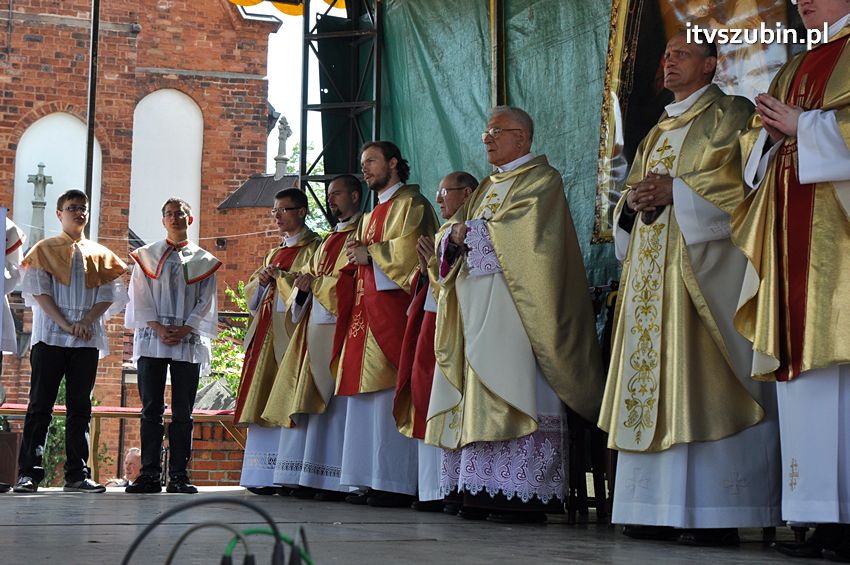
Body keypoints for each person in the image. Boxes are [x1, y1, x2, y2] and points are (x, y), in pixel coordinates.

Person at [598, 32, 780, 545]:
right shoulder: (656, 131)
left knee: (700, 379)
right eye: (665, 55)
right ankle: (650, 507)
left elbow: (746, 187)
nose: (668, 62)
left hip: (700, 278)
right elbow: (631, 193)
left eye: (680, 54)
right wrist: (630, 206)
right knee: (648, 382)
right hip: (651, 278)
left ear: (710, 66)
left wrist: (677, 191)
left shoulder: (731, 114)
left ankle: (713, 514)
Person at [427, 107, 603, 523]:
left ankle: (524, 493)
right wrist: (450, 240)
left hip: (522, 311)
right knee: (480, 388)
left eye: (496, 132)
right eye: (486, 132)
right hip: (477, 307)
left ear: (522, 137)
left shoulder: (543, 180)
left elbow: (531, 242)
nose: (486, 139)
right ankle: (478, 488)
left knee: (517, 384)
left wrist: (466, 234)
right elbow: (454, 230)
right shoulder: (487, 186)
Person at [731, 1, 850, 558]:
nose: (803, 1)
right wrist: (769, 141)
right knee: (802, 381)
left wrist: (803, 126)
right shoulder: (794, 65)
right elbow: (755, 153)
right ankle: (817, 517)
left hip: (838, 246)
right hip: (790, 241)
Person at [332, 141, 439, 507]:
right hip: (365, 314)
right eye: (363, 163)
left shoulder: (413, 205)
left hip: (393, 313)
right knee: (365, 400)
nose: (365, 169)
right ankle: (365, 478)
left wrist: (371, 255)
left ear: (394, 163)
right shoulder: (370, 213)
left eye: (372, 162)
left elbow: (415, 253)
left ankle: (393, 481)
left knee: (385, 394)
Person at [13, 189, 128, 494]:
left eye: (83, 208)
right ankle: (29, 473)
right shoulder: (44, 249)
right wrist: (66, 324)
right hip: (50, 338)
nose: (78, 212)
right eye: (72, 207)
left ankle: (77, 474)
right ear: (59, 214)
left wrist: (86, 322)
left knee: (80, 407)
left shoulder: (100, 254)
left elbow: (108, 295)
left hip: (85, 340)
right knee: (40, 406)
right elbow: (39, 291)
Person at [262, 175, 363, 501]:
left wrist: (313, 285)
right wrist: (303, 287)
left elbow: (349, 281)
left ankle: (334, 478)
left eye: (337, 195)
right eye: (329, 195)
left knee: (332, 400)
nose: (331, 200)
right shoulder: (329, 240)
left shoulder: (360, 234)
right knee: (311, 398)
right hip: (314, 322)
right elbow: (315, 280)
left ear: (355, 196)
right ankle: (310, 474)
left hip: (342, 325)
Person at [393, 171, 477, 512]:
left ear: (466, 192)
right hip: (431, 320)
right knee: (426, 394)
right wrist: (425, 266)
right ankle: (432, 489)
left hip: (454, 327)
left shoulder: (471, 229)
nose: (439, 199)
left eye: (444, 192)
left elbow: (461, 280)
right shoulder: (444, 231)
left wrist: (432, 264)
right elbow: (431, 280)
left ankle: (449, 488)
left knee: (444, 399)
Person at [124, 198, 220, 494]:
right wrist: (158, 327)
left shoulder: (203, 259)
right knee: (151, 408)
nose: (175, 218)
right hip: (154, 339)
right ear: (163, 220)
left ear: (189, 220)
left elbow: (207, 300)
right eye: (169, 214)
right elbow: (138, 294)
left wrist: (187, 328)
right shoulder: (147, 256)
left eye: (180, 213)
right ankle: (150, 474)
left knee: (183, 411)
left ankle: (179, 475)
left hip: (186, 339)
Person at [237, 188, 321, 490]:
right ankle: (260, 475)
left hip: (292, 335)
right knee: (261, 394)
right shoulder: (274, 251)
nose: (277, 216)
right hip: (266, 334)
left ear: (301, 211)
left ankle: (286, 472)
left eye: (283, 210)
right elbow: (252, 296)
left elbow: (310, 286)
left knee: (284, 395)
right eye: (274, 211)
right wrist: (260, 282)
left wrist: (280, 279)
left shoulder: (315, 247)